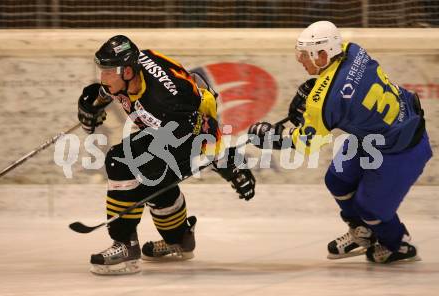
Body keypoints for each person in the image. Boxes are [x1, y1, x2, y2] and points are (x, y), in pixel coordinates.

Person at [248, 21, 432, 263]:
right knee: (337, 179)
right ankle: (362, 231)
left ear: (323, 54)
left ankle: (398, 244)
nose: (300, 60)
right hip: (380, 135)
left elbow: (307, 143)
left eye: (305, 55)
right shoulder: (353, 50)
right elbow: (342, 84)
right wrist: (318, 90)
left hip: (403, 148)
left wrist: (271, 138)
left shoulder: (324, 102)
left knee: (371, 208)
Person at [78, 35, 256, 275]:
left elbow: (205, 132)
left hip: (185, 132)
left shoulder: (167, 101)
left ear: (129, 72)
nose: (103, 77)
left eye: (109, 72)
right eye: (103, 70)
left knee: (120, 161)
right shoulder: (131, 74)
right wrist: (94, 103)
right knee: (155, 180)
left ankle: (125, 245)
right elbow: (110, 90)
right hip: (166, 125)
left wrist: (232, 166)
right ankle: (179, 241)